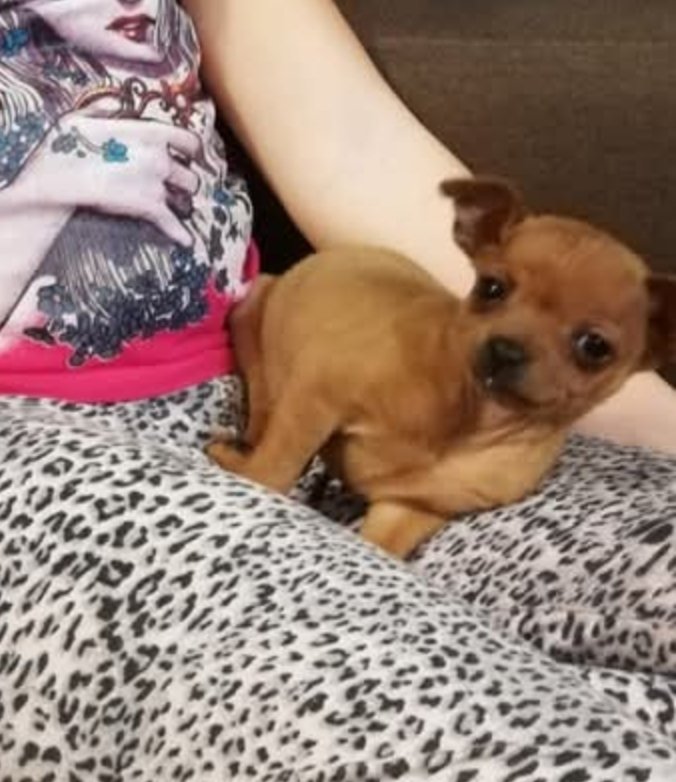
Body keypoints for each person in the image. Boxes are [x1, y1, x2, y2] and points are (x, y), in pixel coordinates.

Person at [0, 2, 674, 780]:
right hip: (42, 445)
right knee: (488, 739)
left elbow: (344, 139)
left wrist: (657, 427)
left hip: (248, 381)